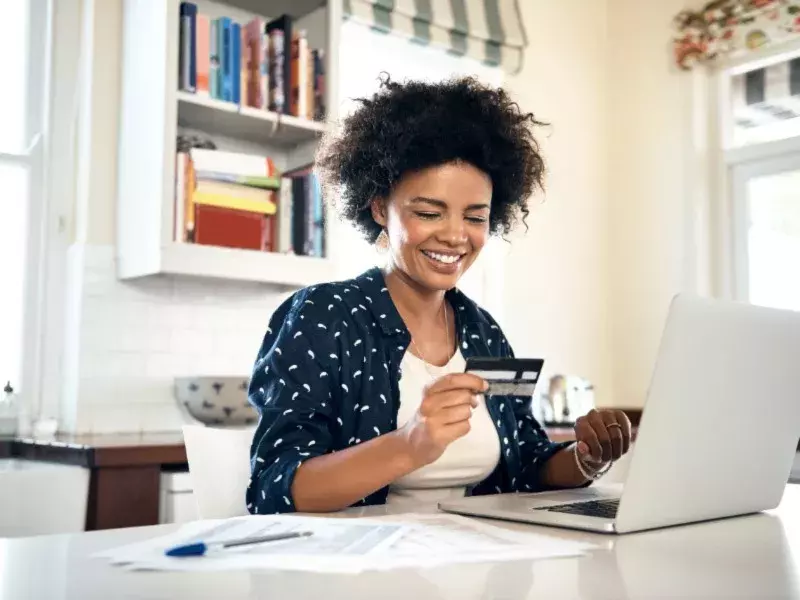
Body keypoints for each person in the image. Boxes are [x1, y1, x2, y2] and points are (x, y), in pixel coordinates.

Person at [246, 76, 632, 515]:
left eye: (475, 217)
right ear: (378, 209)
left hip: (476, 566)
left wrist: (587, 458)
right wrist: (410, 445)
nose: (454, 235)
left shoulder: (484, 331)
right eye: (429, 212)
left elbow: (526, 463)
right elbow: (273, 489)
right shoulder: (322, 315)